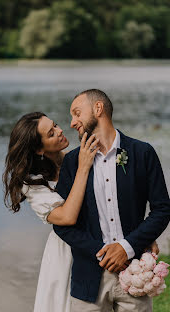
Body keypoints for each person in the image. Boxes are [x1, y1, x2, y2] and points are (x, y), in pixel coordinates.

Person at [53, 89, 170, 312]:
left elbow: (162, 209)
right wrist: (103, 252)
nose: (72, 122)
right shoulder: (71, 162)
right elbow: (62, 224)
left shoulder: (142, 152)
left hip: (135, 276)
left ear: (98, 109)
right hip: (88, 280)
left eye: (77, 113)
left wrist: (127, 247)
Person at [3, 111, 101, 312]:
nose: (60, 130)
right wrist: (83, 168)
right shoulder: (32, 182)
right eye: (51, 133)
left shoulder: (75, 159)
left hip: (98, 237)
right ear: (39, 149)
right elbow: (67, 216)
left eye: (55, 125)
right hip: (66, 252)